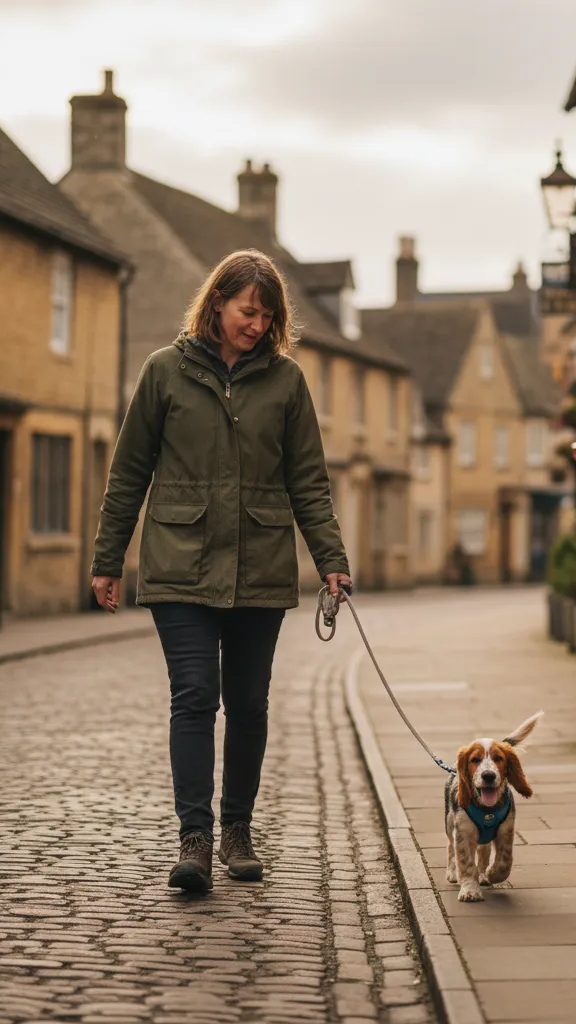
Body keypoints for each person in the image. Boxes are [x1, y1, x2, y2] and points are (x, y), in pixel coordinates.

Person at [90, 249, 351, 892]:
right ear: (216, 303)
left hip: (260, 566)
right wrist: (107, 559)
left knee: (249, 703)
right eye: (247, 312)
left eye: (267, 316)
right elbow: (128, 473)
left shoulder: (287, 383)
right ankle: (195, 839)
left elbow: (309, 481)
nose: (256, 326)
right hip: (179, 565)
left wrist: (331, 560)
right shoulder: (163, 372)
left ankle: (238, 830)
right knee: (194, 694)